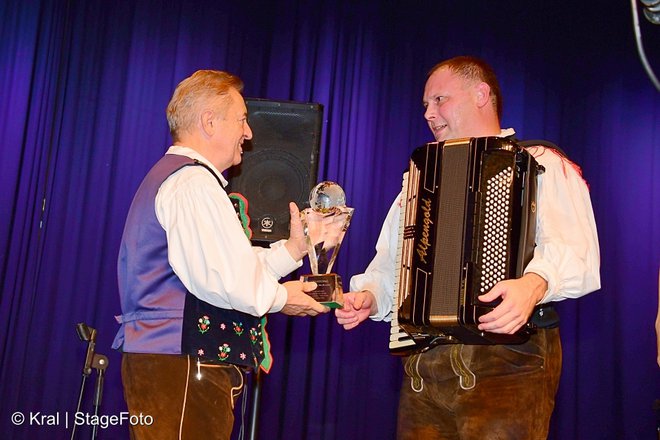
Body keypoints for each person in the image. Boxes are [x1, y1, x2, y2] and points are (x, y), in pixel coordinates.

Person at [336, 56, 601, 439]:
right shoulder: (419, 178)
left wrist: (534, 283)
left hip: (507, 361)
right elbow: (392, 263)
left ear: (481, 94)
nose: (429, 113)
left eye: (440, 99)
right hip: (423, 365)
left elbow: (578, 251)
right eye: (425, 105)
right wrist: (371, 297)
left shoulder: (539, 161)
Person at [111, 69, 329, 439]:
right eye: (242, 120)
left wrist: (293, 250)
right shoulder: (193, 183)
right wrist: (281, 297)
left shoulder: (183, 179)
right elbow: (222, 279)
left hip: (175, 360)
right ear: (209, 122)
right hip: (182, 360)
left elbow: (229, 268)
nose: (249, 133)